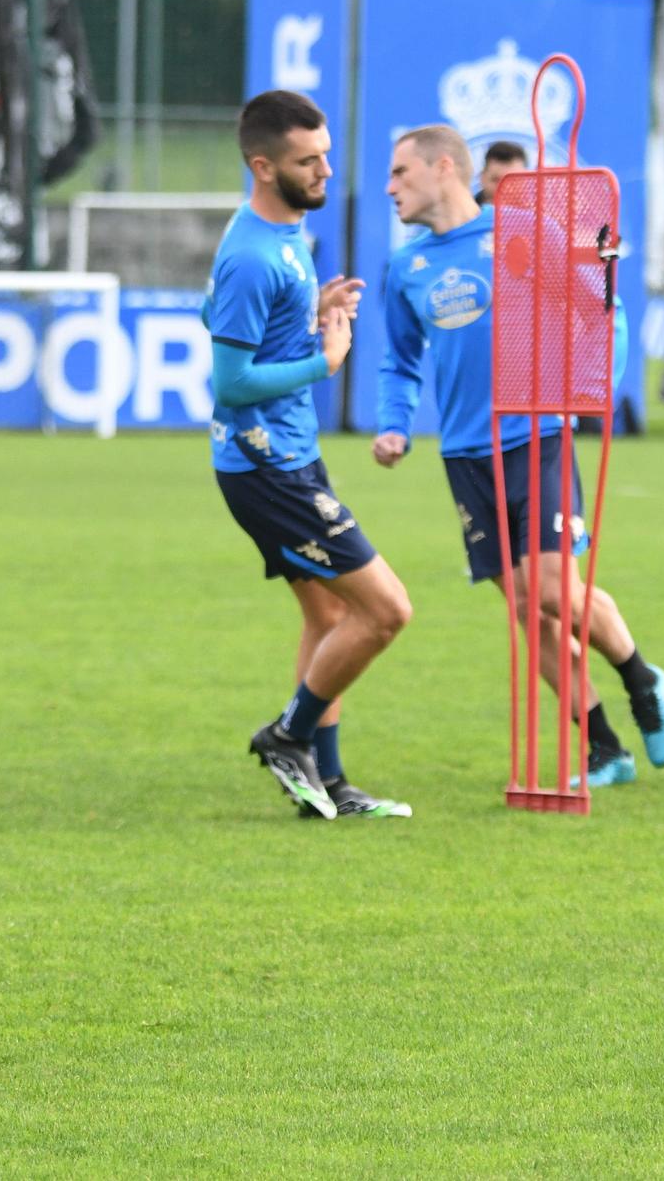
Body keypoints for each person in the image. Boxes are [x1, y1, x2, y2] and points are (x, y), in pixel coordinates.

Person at [374, 126, 664, 785]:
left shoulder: (522, 233)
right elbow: (398, 361)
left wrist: (596, 386)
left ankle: (642, 680)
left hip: (535, 437)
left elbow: (602, 307)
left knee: (551, 588)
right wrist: (393, 425)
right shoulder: (404, 268)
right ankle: (605, 749)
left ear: (444, 169)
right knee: (523, 609)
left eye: (401, 173)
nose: (390, 186)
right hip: (464, 455)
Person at [207, 89, 414, 821]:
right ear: (263, 167)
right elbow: (229, 383)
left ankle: (328, 784)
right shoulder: (251, 257)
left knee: (330, 617)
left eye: (326, 153)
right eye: (307, 161)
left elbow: (262, 336)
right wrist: (323, 361)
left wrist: (313, 311)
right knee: (387, 611)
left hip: (293, 453)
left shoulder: (290, 231)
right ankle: (289, 735)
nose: (326, 169)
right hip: (266, 468)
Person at [475, 140, 527, 206]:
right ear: (482, 178)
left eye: (513, 181)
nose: (505, 189)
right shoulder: (464, 214)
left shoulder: (538, 213)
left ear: (526, 181)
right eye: (496, 180)